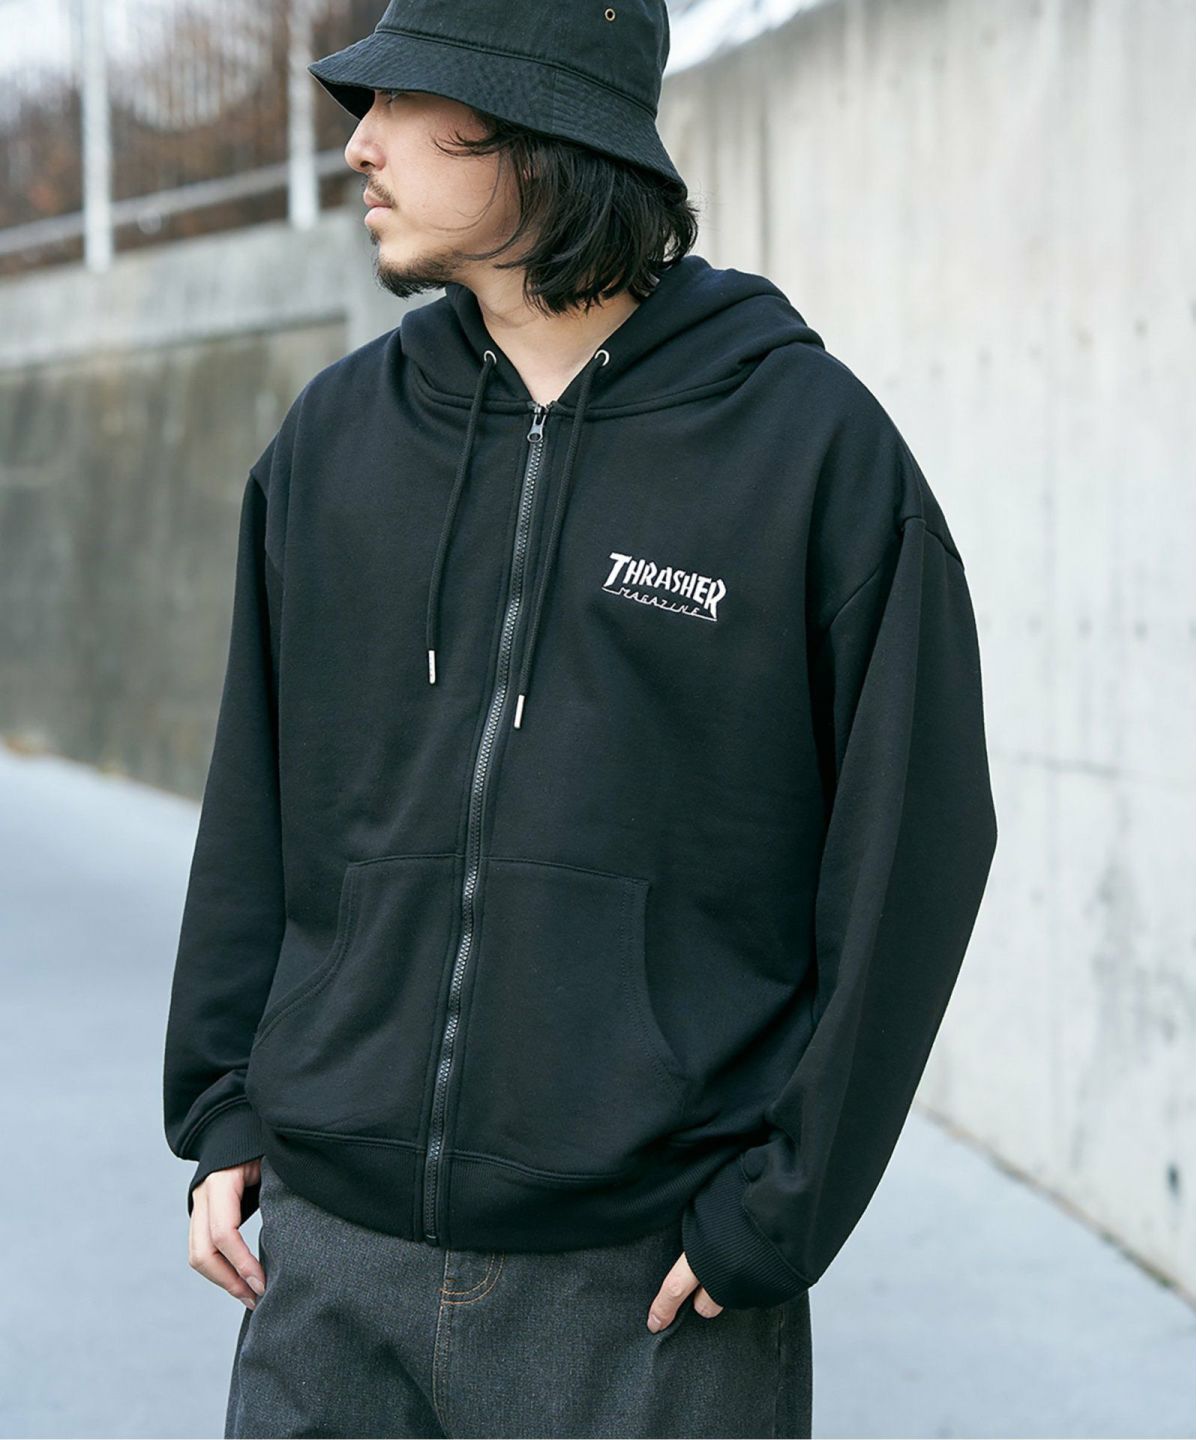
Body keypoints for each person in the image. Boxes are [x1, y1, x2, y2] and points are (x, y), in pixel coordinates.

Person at [161, 2, 999, 1436]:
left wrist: (778, 1211)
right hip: (329, 1280)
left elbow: (911, 850)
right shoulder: (335, 441)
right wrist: (225, 1107)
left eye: (405, 101)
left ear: (536, 123)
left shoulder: (807, 452)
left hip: (644, 1296)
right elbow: (255, 801)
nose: (359, 145)